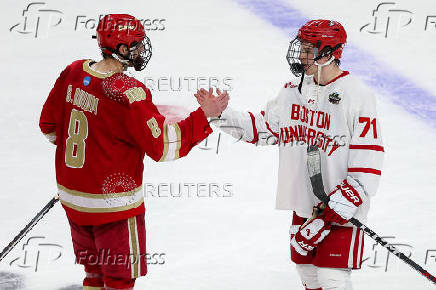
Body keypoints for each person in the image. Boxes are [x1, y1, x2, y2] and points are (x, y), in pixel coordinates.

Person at [39, 14, 229, 290]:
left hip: (74, 201)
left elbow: (50, 129)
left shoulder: (73, 72)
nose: (142, 50)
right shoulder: (128, 92)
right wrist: (204, 116)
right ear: (123, 49)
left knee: (94, 273)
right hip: (114, 208)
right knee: (119, 280)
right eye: (137, 45)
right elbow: (163, 146)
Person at [196, 20, 384, 289]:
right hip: (304, 206)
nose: (302, 55)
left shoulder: (357, 95)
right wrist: (220, 115)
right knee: (307, 274)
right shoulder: (292, 92)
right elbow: (264, 129)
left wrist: (338, 207)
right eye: (302, 48)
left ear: (329, 53)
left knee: (333, 279)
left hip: (342, 211)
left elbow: (369, 154)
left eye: (310, 49)